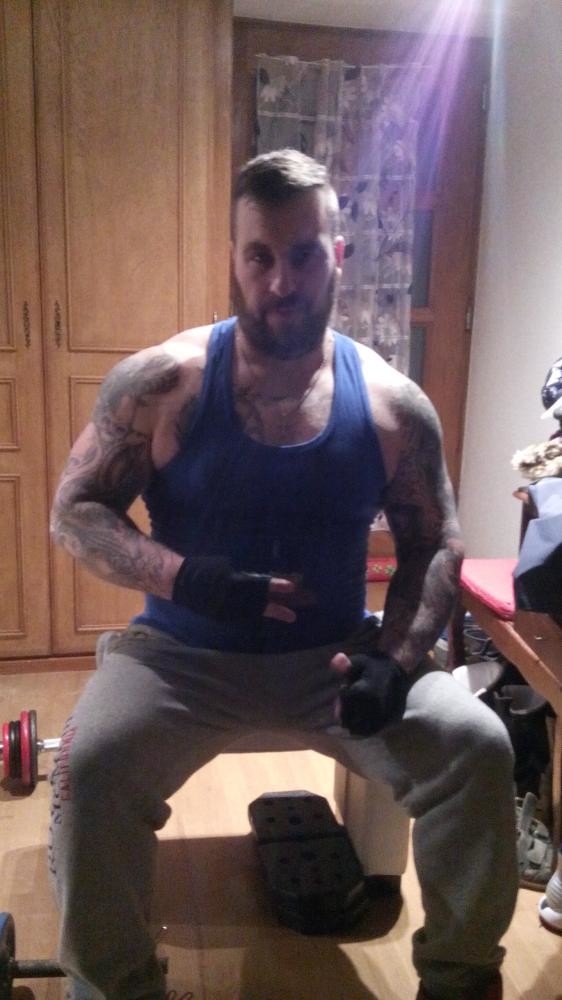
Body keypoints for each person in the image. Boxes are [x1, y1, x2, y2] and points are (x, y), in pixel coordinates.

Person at [49, 148, 518, 1000]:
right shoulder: (163, 385)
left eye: (303, 255)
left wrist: (396, 661)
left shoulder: (391, 405)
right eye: (259, 256)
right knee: (89, 767)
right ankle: (116, 987)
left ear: (337, 255)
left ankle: (459, 980)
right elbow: (74, 512)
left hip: (334, 660)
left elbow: (435, 542)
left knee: (478, 747)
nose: (280, 282)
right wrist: (186, 577)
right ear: (232, 258)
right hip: (178, 659)